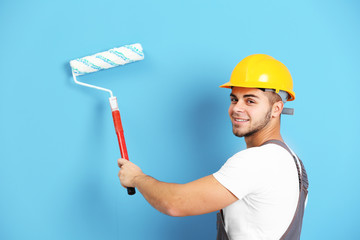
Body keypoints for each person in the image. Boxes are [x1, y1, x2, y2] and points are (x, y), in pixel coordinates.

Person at [117, 54, 309, 240]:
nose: (236, 108)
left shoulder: (258, 161)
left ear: (276, 109)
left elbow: (175, 203)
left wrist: (137, 178)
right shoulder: (293, 162)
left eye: (250, 100)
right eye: (234, 99)